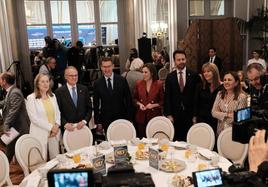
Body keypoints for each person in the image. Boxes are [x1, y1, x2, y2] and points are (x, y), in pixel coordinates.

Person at [164, 49, 201, 141]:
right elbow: (167, 96)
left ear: (186, 59)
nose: (181, 61)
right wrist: (168, 114)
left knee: (190, 140)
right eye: (178, 60)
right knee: (176, 140)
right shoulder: (170, 77)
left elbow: (197, 97)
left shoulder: (194, 75)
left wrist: (195, 115)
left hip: (190, 115)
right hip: (175, 115)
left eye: (183, 59)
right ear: (174, 61)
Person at [93, 57, 133, 134]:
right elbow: (96, 104)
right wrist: (98, 122)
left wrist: (130, 118)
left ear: (113, 66)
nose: (107, 69)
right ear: (101, 67)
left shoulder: (122, 80)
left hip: (122, 117)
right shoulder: (97, 83)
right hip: (106, 119)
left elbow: (128, 100)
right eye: (104, 67)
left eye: (109, 66)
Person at [26, 73, 61, 160]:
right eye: (42, 82)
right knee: (41, 160)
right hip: (40, 133)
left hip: (54, 133)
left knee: (55, 159)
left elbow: (58, 113)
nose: (45, 84)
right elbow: (34, 119)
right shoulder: (31, 98)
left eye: (47, 81)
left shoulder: (52, 96)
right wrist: (51, 127)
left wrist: (57, 125)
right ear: (37, 84)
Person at [0, 72, 30, 161]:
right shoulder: (11, 91)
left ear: (4, 81)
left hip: (18, 128)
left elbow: (13, 111)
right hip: (15, 128)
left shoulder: (14, 93)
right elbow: (5, 103)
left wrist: (5, 125)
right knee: (9, 151)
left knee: (14, 152)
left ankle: (3, 170)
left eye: (0, 80)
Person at [55, 66, 92, 133]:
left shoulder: (84, 89)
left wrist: (84, 121)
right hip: (68, 130)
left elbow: (89, 108)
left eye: (76, 75)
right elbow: (57, 112)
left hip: (83, 128)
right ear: (65, 76)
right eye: (71, 75)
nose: (74, 77)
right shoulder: (59, 92)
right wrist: (65, 124)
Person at [133, 63, 164, 138]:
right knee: (143, 140)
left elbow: (163, 101)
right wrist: (139, 104)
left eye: (146, 72)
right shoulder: (138, 83)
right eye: (142, 72)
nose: (143, 74)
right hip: (141, 118)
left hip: (154, 117)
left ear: (152, 73)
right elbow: (134, 99)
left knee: (154, 140)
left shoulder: (159, 84)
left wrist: (153, 105)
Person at [193, 62, 223, 135]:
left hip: (216, 120)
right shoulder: (199, 86)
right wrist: (194, 118)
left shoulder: (222, 87)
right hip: (202, 119)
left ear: (214, 72)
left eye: (208, 71)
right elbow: (195, 103)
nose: (205, 73)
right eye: (204, 72)